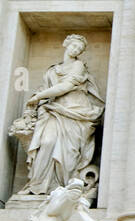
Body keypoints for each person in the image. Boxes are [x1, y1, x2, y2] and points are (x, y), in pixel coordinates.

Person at [16, 35, 104, 195]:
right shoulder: (52, 70)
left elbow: (65, 86)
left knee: (68, 151)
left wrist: (38, 97)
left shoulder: (78, 66)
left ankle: (62, 187)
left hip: (75, 111)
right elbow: (46, 89)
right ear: (66, 44)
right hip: (54, 110)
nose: (75, 50)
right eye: (74, 46)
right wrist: (37, 100)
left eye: (79, 49)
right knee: (47, 141)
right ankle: (37, 185)